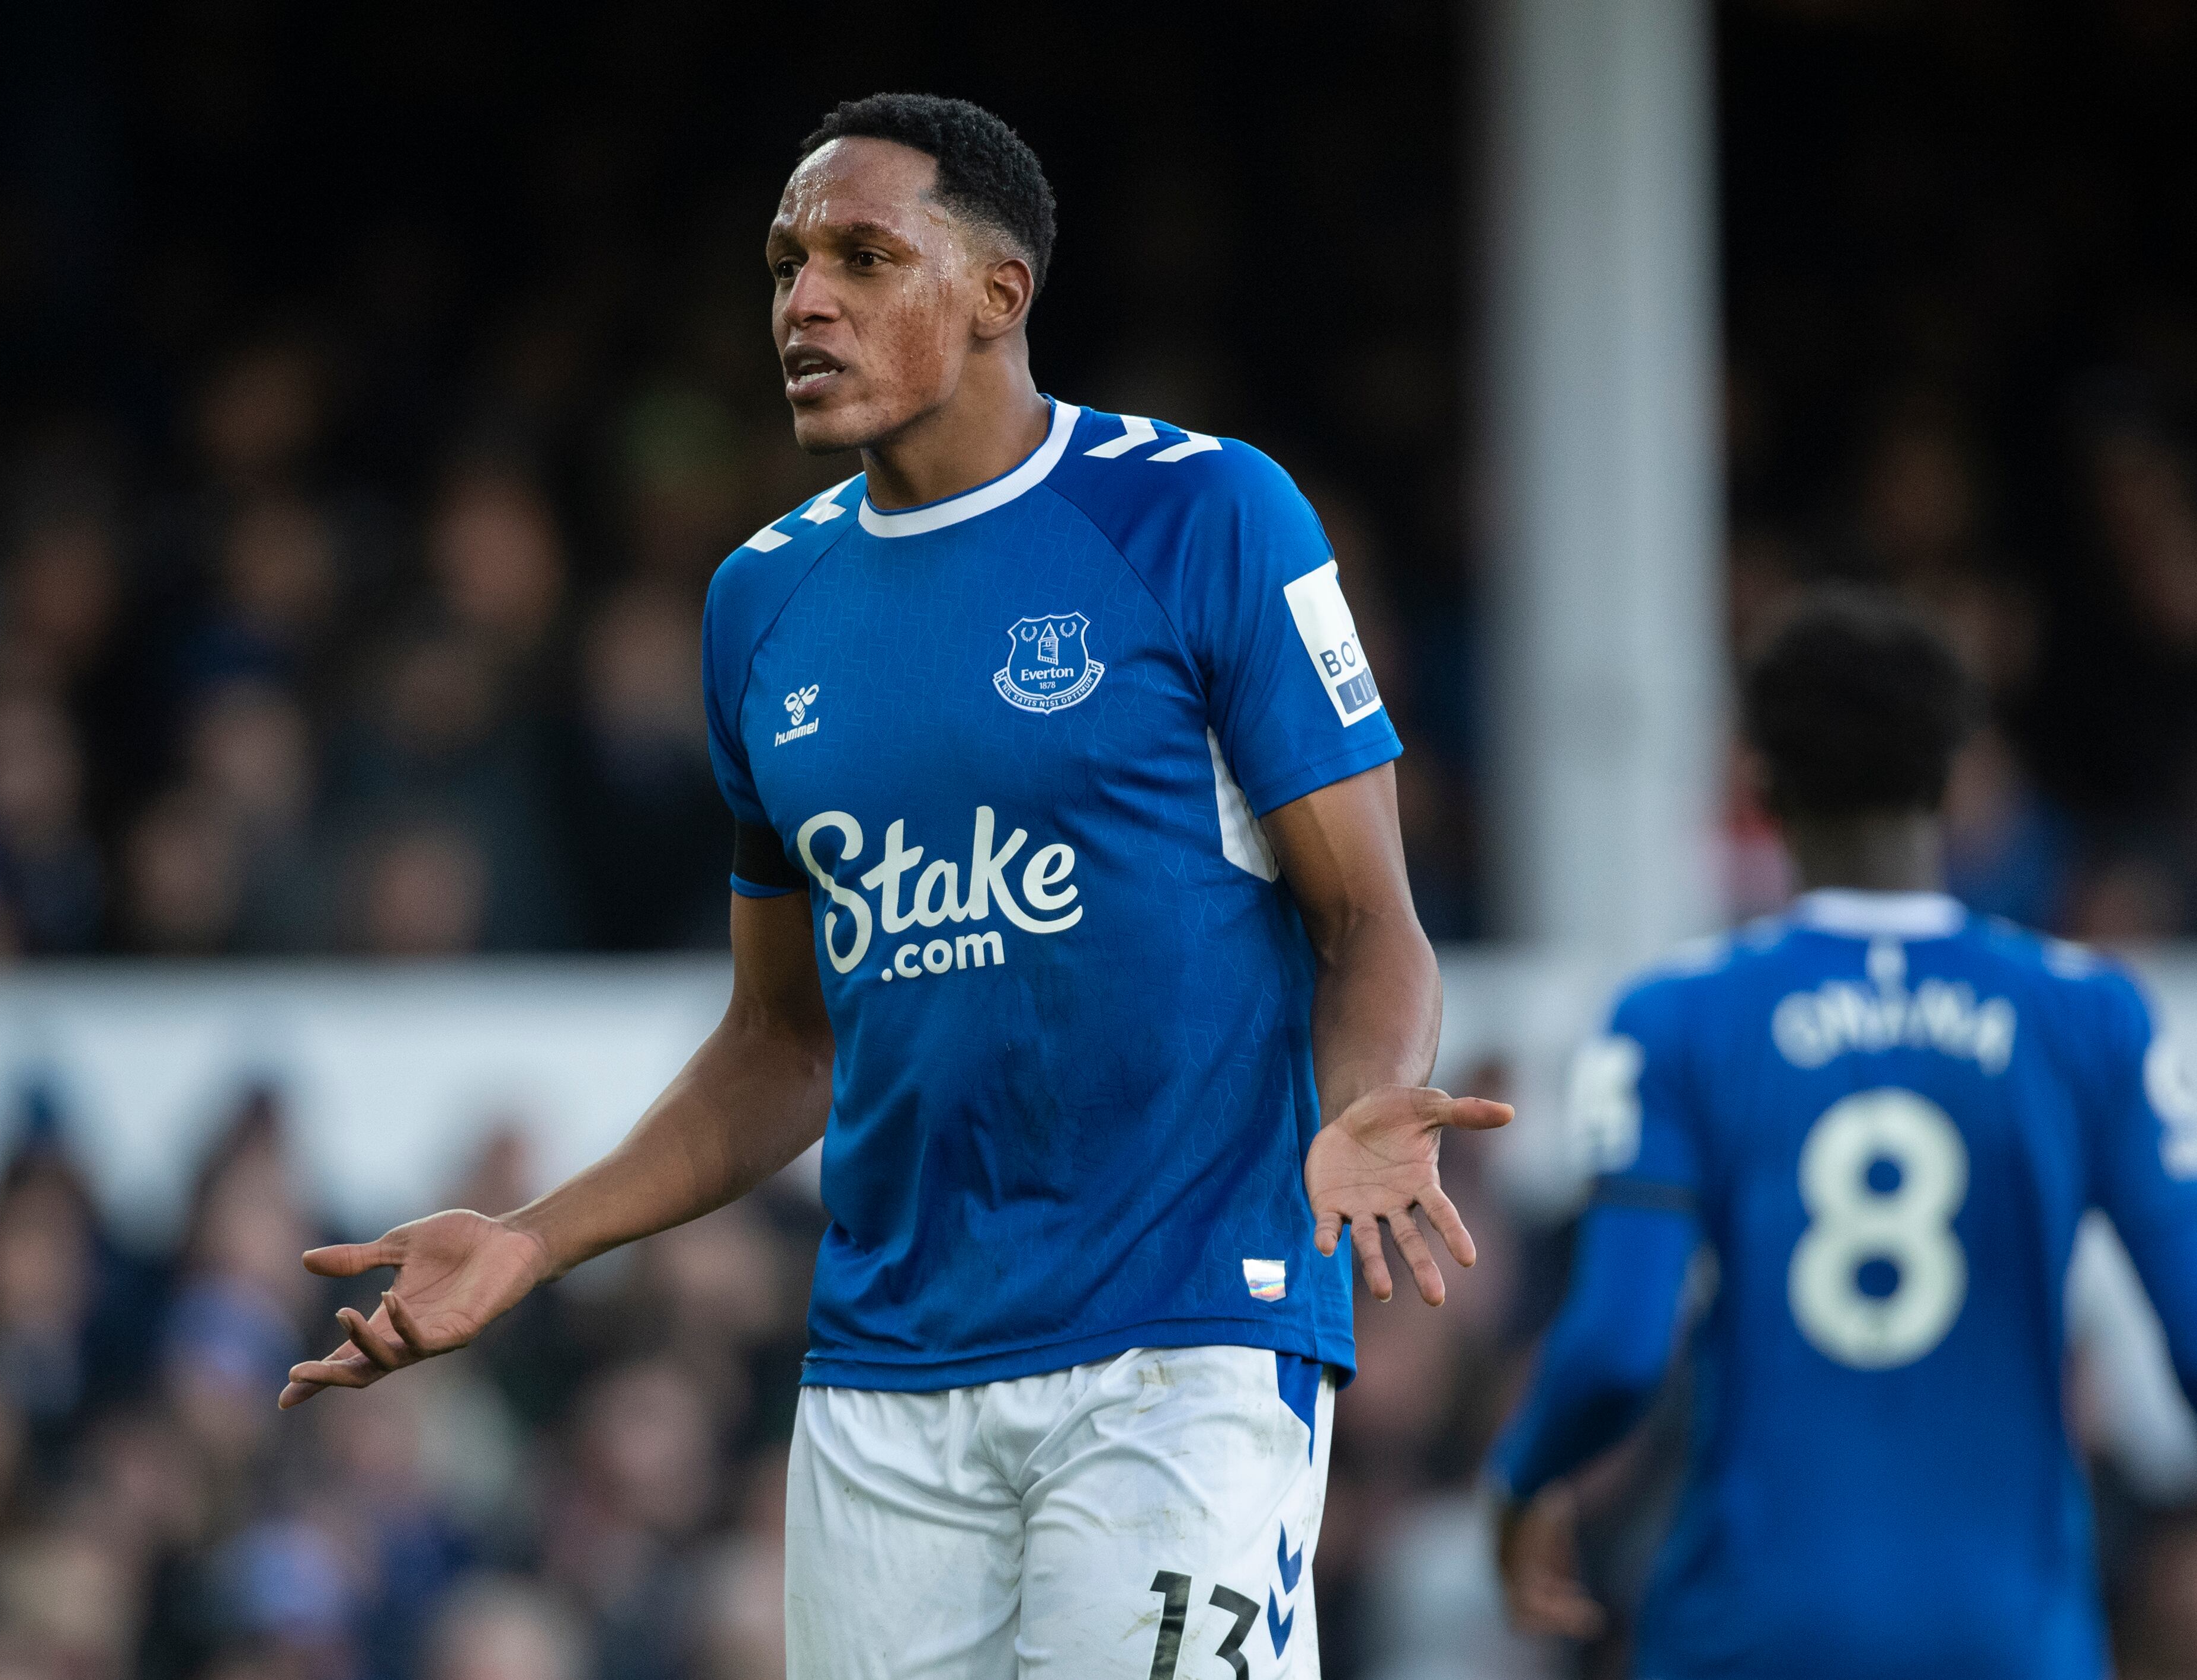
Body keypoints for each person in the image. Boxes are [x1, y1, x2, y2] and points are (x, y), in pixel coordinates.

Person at [279, 93, 1509, 1676]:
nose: (804, 300)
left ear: (998, 292)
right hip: (882, 1382)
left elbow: (1368, 920)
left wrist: (1364, 1101)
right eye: (787, 262)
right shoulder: (759, 605)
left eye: (863, 257)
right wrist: (535, 1237)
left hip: (1184, 1334)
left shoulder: (1205, 513)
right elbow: (782, 1042)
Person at [1488, 592, 2197, 1677]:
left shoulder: (1678, 1018)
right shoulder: (2091, 1015)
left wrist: (1523, 1479)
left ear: (1759, 783)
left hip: (1756, 1629)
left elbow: (1619, 1346)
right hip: (2011, 1634)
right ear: (1954, 776)